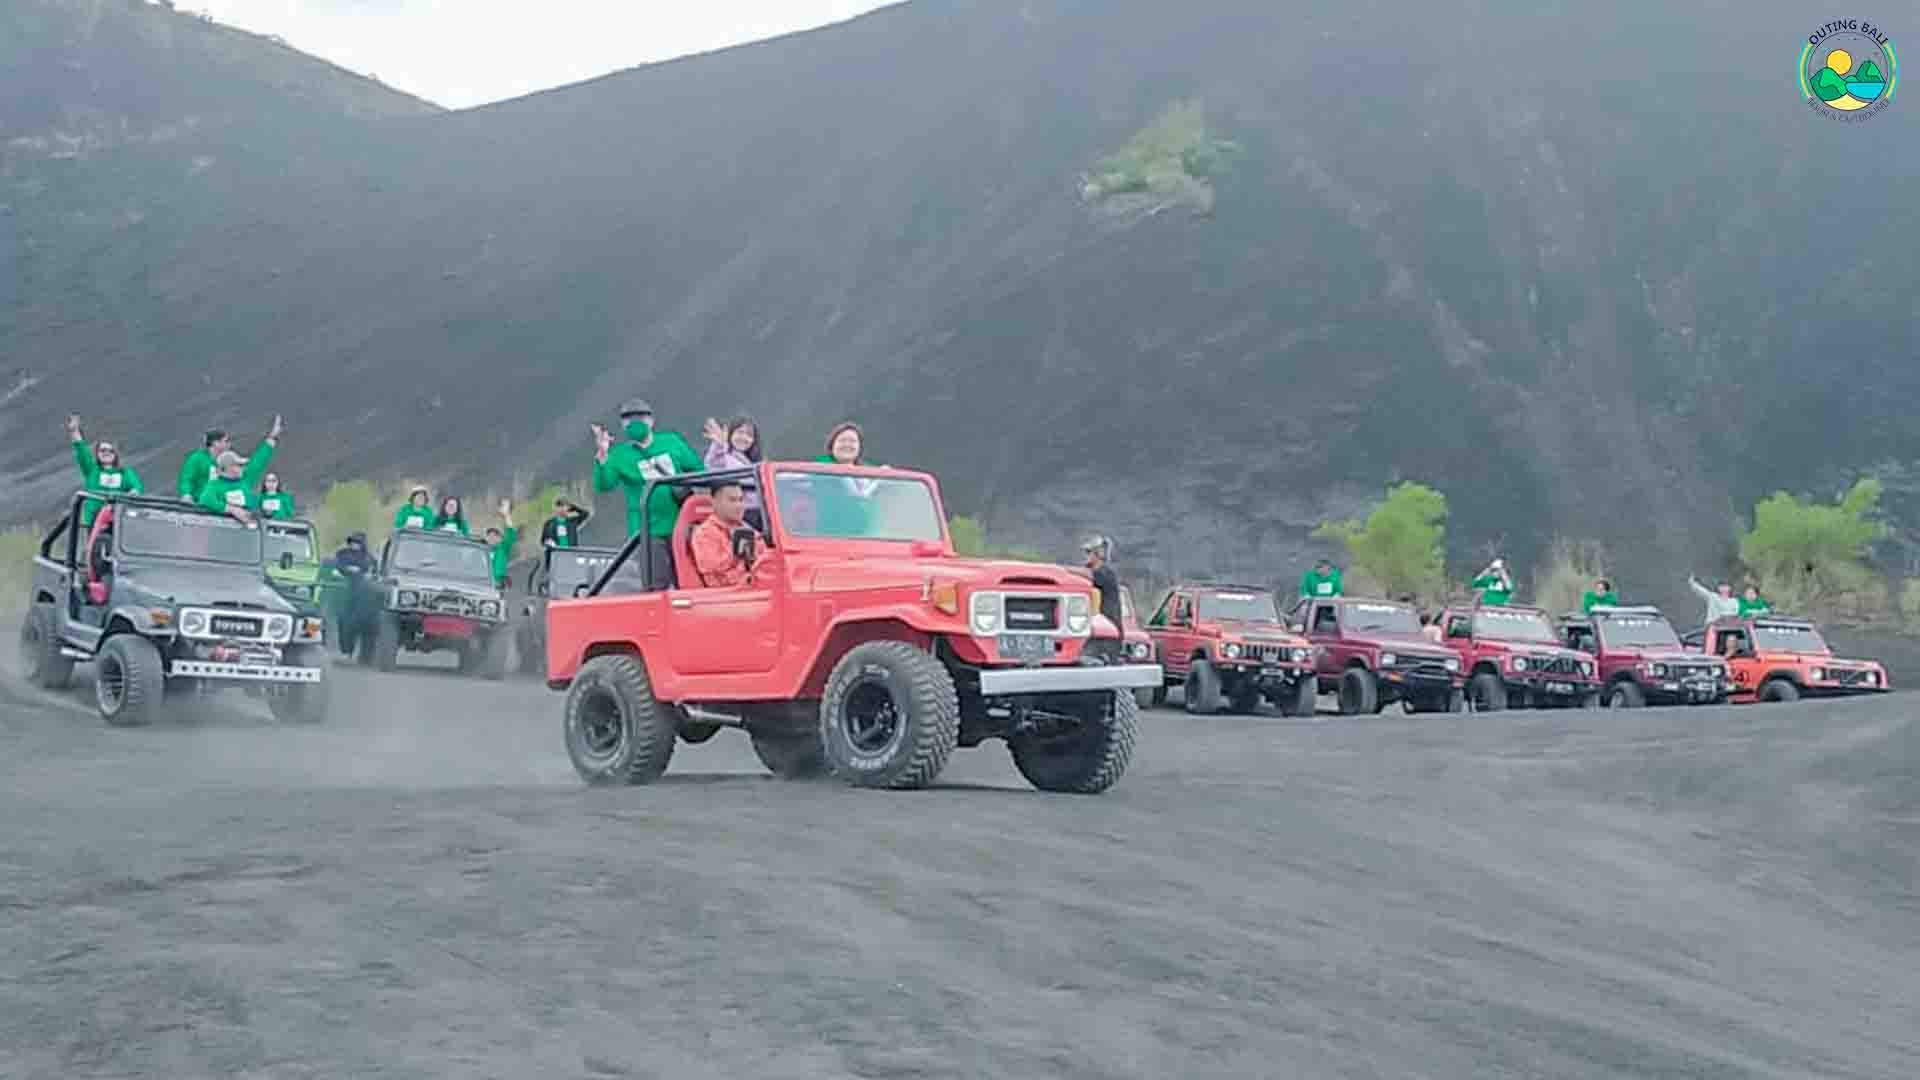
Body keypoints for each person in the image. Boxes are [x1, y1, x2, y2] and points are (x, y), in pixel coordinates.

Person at [592, 398, 702, 587]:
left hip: (681, 525)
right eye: (628, 418)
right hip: (647, 531)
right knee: (656, 584)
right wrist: (602, 458)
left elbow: (698, 469)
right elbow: (604, 485)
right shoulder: (619, 454)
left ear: (651, 420)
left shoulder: (671, 441)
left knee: (688, 581)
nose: (635, 422)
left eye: (640, 416)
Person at [195, 416, 282, 522]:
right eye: (238, 465)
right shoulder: (215, 486)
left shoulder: (245, 478)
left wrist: (272, 438)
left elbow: (259, 460)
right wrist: (232, 509)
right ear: (226, 469)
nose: (242, 468)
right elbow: (205, 500)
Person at [67, 414, 145, 526]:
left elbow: (137, 487)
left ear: (115, 454)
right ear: (97, 453)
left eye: (110, 450)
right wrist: (74, 431)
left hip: (117, 519)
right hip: (95, 520)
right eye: (103, 450)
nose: (107, 453)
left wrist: (133, 492)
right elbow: (81, 451)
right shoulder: (92, 470)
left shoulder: (125, 473)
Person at [691, 481, 771, 588]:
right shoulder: (704, 534)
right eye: (732, 500)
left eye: (741, 500)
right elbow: (717, 575)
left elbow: (765, 556)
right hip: (728, 596)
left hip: (758, 586)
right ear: (715, 502)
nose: (739, 506)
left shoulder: (747, 529)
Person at [703, 415, 766, 531]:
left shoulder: (753, 462)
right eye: (740, 432)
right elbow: (714, 463)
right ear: (731, 434)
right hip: (739, 513)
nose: (744, 438)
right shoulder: (725, 455)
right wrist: (719, 444)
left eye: (749, 435)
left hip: (760, 512)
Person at [329, 532, 376, 657]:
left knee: (361, 622)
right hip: (343, 591)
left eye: (358, 542)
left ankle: (361, 651)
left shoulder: (369, 558)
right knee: (343, 621)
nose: (355, 545)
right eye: (353, 542)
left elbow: (373, 571)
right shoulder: (342, 554)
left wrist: (368, 576)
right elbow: (335, 567)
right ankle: (346, 650)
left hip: (362, 595)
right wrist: (344, 570)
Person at [1081, 535, 1122, 628]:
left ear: (1099, 553)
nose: (1086, 556)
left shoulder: (1105, 574)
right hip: (1098, 625)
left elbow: (1090, 577)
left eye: (1088, 552)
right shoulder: (1093, 572)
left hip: (1109, 626)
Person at [483, 499, 517, 588]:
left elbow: (511, 533)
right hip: (482, 584)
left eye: (495, 536)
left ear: (499, 538)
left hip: (498, 585)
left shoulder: (503, 549)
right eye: (489, 536)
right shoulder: (481, 551)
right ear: (486, 537)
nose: (492, 538)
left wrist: (506, 516)